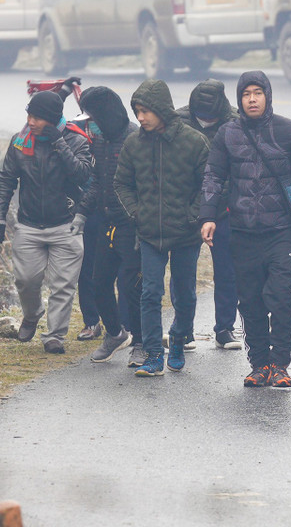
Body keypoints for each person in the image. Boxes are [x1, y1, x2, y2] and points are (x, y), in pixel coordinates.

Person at [200, 70, 291, 389]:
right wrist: (208, 216)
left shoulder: (290, 131)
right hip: (243, 231)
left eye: (258, 92)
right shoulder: (227, 134)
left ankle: (280, 364)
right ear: (239, 99)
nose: (252, 99)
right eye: (246, 94)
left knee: (281, 297)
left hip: (282, 229)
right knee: (251, 300)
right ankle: (259, 364)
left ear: (268, 96)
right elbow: (214, 176)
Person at [114, 80, 209, 377]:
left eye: (145, 111)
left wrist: (193, 216)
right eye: (137, 111)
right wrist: (137, 214)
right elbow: (122, 183)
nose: (140, 118)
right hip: (149, 234)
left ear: (161, 110)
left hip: (186, 234)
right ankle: (154, 354)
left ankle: (179, 338)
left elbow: (210, 185)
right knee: (150, 293)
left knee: (184, 294)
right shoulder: (134, 144)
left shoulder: (194, 142)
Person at [0, 89, 92, 354]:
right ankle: (33, 313)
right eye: (29, 115)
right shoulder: (20, 141)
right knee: (26, 280)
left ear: (51, 119)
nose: (30, 122)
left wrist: (59, 143)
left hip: (66, 225)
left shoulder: (76, 140)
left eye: (36, 117)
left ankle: (55, 335)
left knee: (63, 285)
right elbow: (6, 180)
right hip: (29, 225)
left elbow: (82, 175)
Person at [77, 86, 143, 365]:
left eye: (93, 115)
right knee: (99, 283)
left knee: (132, 286)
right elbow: (97, 181)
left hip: (133, 226)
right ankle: (115, 333)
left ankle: (140, 342)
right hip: (107, 223)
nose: (90, 121)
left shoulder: (136, 138)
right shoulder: (100, 140)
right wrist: (82, 213)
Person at [176, 80, 242, 350]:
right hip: (185, 207)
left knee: (227, 271)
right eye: (200, 117)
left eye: (210, 117)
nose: (205, 121)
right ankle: (183, 330)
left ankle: (225, 329)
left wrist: (216, 205)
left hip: (224, 208)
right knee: (183, 273)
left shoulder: (236, 122)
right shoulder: (178, 120)